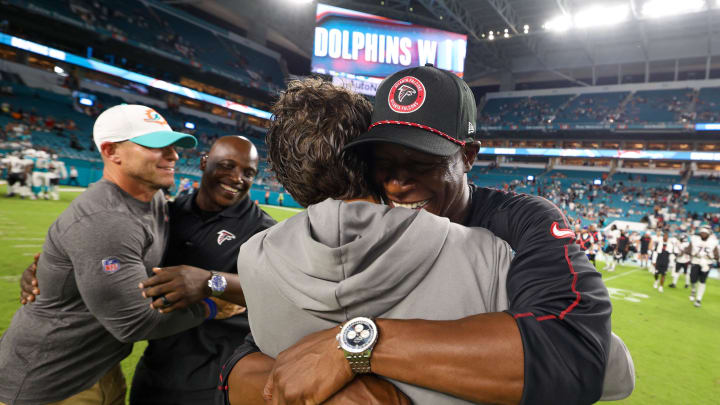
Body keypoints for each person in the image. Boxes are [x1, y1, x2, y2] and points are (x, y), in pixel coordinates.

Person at [227, 66, 622, 405]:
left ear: (468, 155)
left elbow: (573, 354)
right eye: (383, 163)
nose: (398, 184)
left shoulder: (522, 223)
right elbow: (260, 351)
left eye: (421, 163)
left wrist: (356, 346)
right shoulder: (362, 231)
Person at [0, 105, 217, 405]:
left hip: (99, 366)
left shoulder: (152, 196)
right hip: (49, 382)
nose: (174, 156)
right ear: (111, 151)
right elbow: (135, 323)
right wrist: (213, 304)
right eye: (156, 146)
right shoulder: (105, 219)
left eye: (173, 146)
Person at [129, 136, 276, 405]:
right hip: (154, 368)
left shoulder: (263, 231)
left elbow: (275, 292)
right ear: (204, 162)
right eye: (227, 166)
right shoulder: (170, 212)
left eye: (248, 173)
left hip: (211, 381)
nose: (237, 178)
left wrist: (212, 282)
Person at [688, 226, 719, 307]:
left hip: (706, 263)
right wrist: (692, 253)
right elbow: (688, 250)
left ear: (708, 233)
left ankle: (698, 299)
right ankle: (693, 289)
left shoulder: (713, 241)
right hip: (696, 261)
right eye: (702, 233)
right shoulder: (695, 239)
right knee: (693, 279)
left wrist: (710, 256)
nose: (703, 234)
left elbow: (717, 256)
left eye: (705, 233)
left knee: (702, 281)